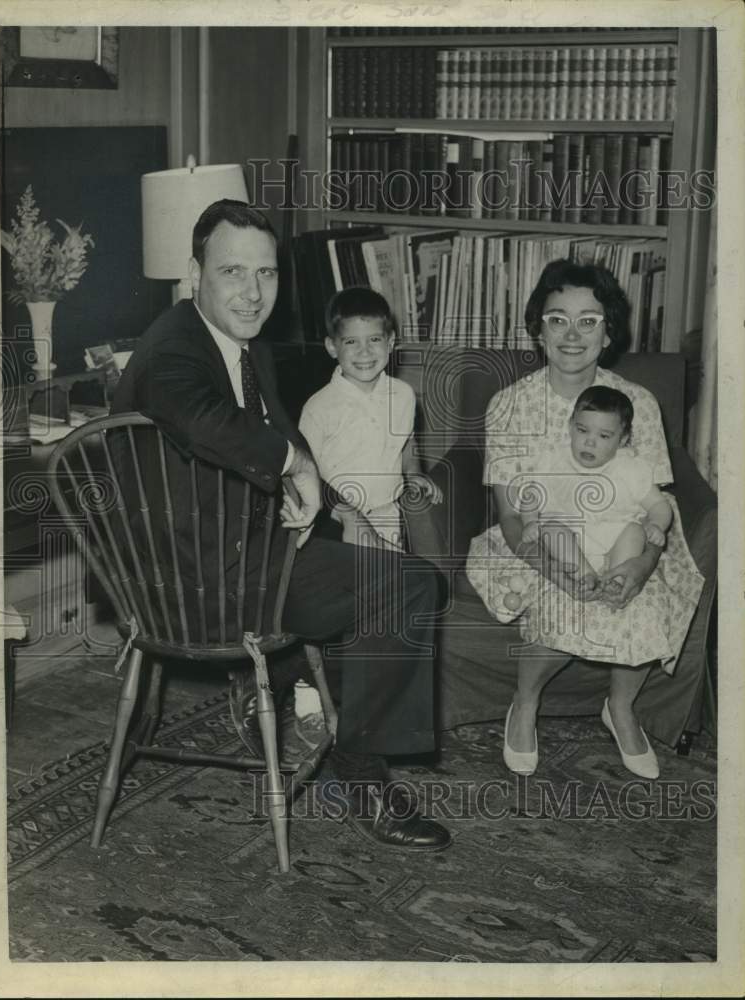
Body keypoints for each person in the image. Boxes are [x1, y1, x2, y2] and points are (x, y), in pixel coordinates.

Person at [111, 199, 449, 852]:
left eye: (265, 273)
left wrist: (342, 509)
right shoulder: (171, 348)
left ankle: (312, 701)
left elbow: (283, 435)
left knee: (407, 578)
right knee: (400, 588)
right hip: (193, 583)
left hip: (248, 548)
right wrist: (295, 464)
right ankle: (360, 771)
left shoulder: (244, 347)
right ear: (194, 274)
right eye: (232, 271)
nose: (253, 291)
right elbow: (208, 420)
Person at [465, 259, 704, 781]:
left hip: (623, 535)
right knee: (560, 599)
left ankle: (620, 707)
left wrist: (642, 565)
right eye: (558, 319)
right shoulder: (509, 405)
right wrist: (554, 569)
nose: (572, 335)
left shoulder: (638, 403)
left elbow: (653, 501)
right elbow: (511, 516)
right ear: (539, 330)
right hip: (536, 537)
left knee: (642, 599)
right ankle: (525, 703)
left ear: (608, 332)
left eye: (588, 321)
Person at [299, 286, 442, 552]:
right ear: (332, 347)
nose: (364, 352)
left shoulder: (403, 395)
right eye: (351, 342)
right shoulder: (318, 408)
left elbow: (406, 443)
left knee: (392, 576)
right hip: (336, 522)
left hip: (388, 515)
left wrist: (414, 473)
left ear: (391, 342)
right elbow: (304, 472)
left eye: (374, 340)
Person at [509, 385, 674, 601]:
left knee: (635, 531)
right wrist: (530, 522)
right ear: (570, 426)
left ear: (622, 439)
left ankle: (615, 579)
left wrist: (656, 524)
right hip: (571, 546)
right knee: (551, 529)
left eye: (604, 436)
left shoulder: (631, 468)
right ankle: (584, 577)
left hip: (616, 542)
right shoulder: (553, 462)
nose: (590, 441)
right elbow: (531, 496)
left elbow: (659, 505)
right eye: (582, 430)